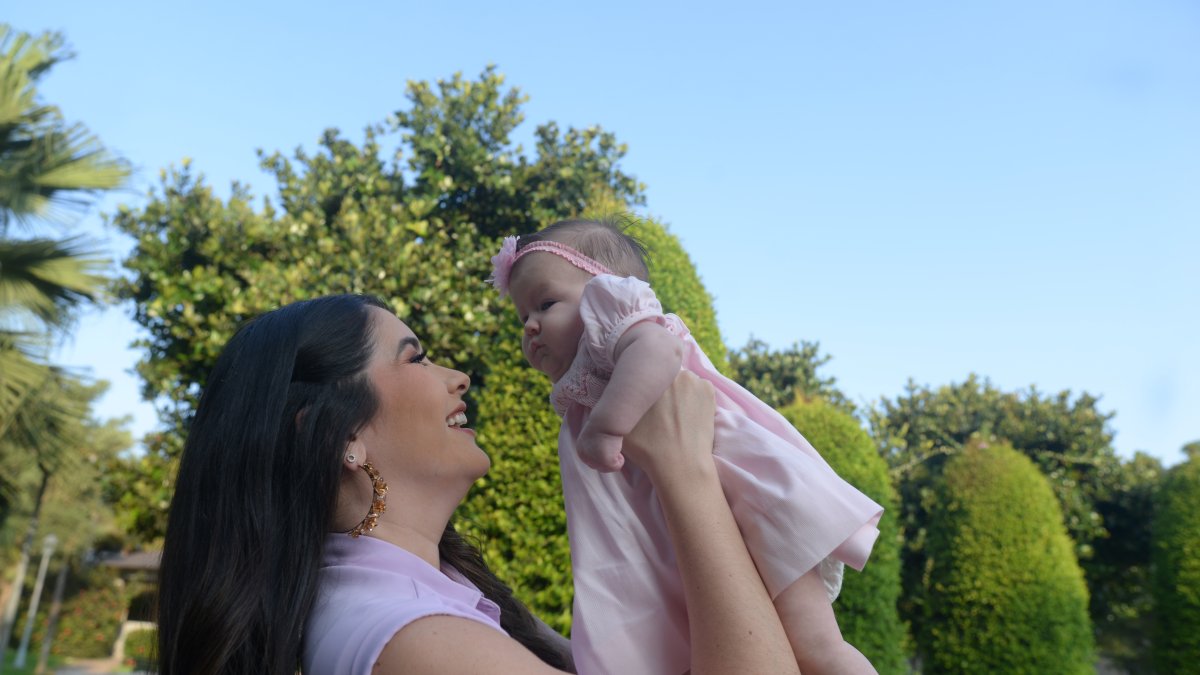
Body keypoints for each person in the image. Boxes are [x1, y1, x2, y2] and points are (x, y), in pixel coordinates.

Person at [155, 293, 800, 675]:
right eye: (415, 357)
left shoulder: (430, 589)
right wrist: (685, 475)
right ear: (336, 435)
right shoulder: (407, 634)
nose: (457, 375)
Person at [490, 218, 884, 674]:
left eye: (546, 303)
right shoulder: (584, 388)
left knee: (816, 647)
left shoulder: (615, 322)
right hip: (697, 532)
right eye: (524, 316)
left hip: (745, 501)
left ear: (607, 287)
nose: (531, 326)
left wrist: (606, 428)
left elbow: (658, 351)